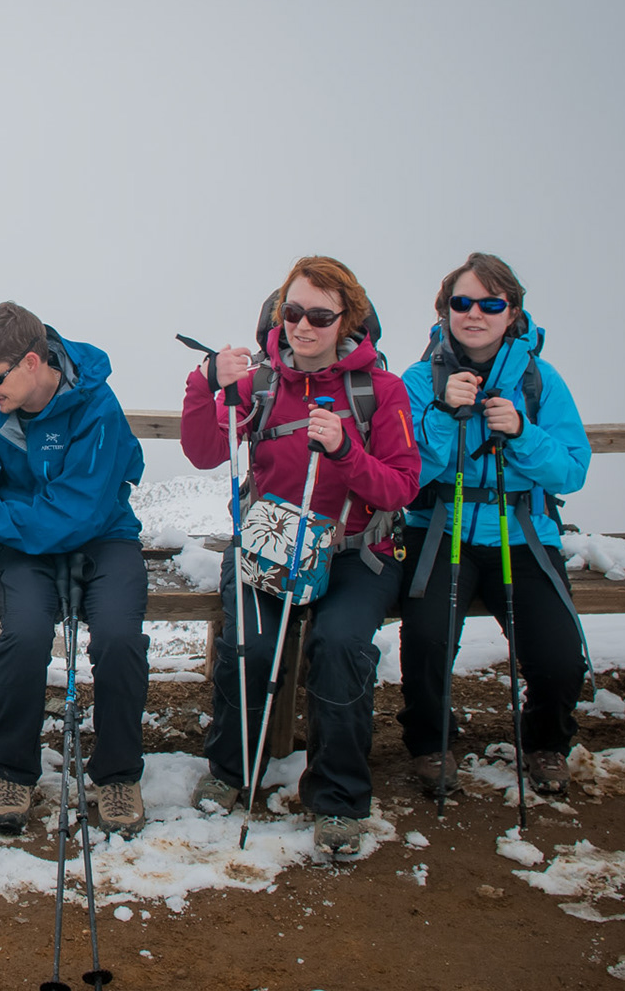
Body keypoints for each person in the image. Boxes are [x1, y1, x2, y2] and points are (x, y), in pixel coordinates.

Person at [179, 256, 420, 857]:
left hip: (355, 554)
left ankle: (338, 799)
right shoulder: (259, 385)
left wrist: (343, 453)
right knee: (250, 648)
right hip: (271, 547)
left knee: (338, 648)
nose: (302, 326)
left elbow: (400, 487)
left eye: (319, 314)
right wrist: (203, 383)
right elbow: (205, 452)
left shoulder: (380, 392)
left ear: (348, 320)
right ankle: (233, 771)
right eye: (292, 312)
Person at [0, 302, 150, 837]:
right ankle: (12, 769)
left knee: (117, 638)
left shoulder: (97, 407)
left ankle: (117, 775)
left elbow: (76, 513)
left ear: (33, 362)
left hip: (104, 536)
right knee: (23, 636)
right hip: (21, 540)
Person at [396, 253, 590, 799]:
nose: (474, 313)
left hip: (524, 534)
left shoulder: (540, 382)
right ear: (444, 311)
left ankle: (547, 741)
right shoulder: (418, 380)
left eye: (490, 303)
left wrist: (523, 433)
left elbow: (572, 470)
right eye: (462, 302)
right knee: (428, 641)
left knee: (558, 659)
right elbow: (405, 476)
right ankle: (430, 743)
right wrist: (439, 411)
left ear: (512, 311)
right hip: (440, 528)